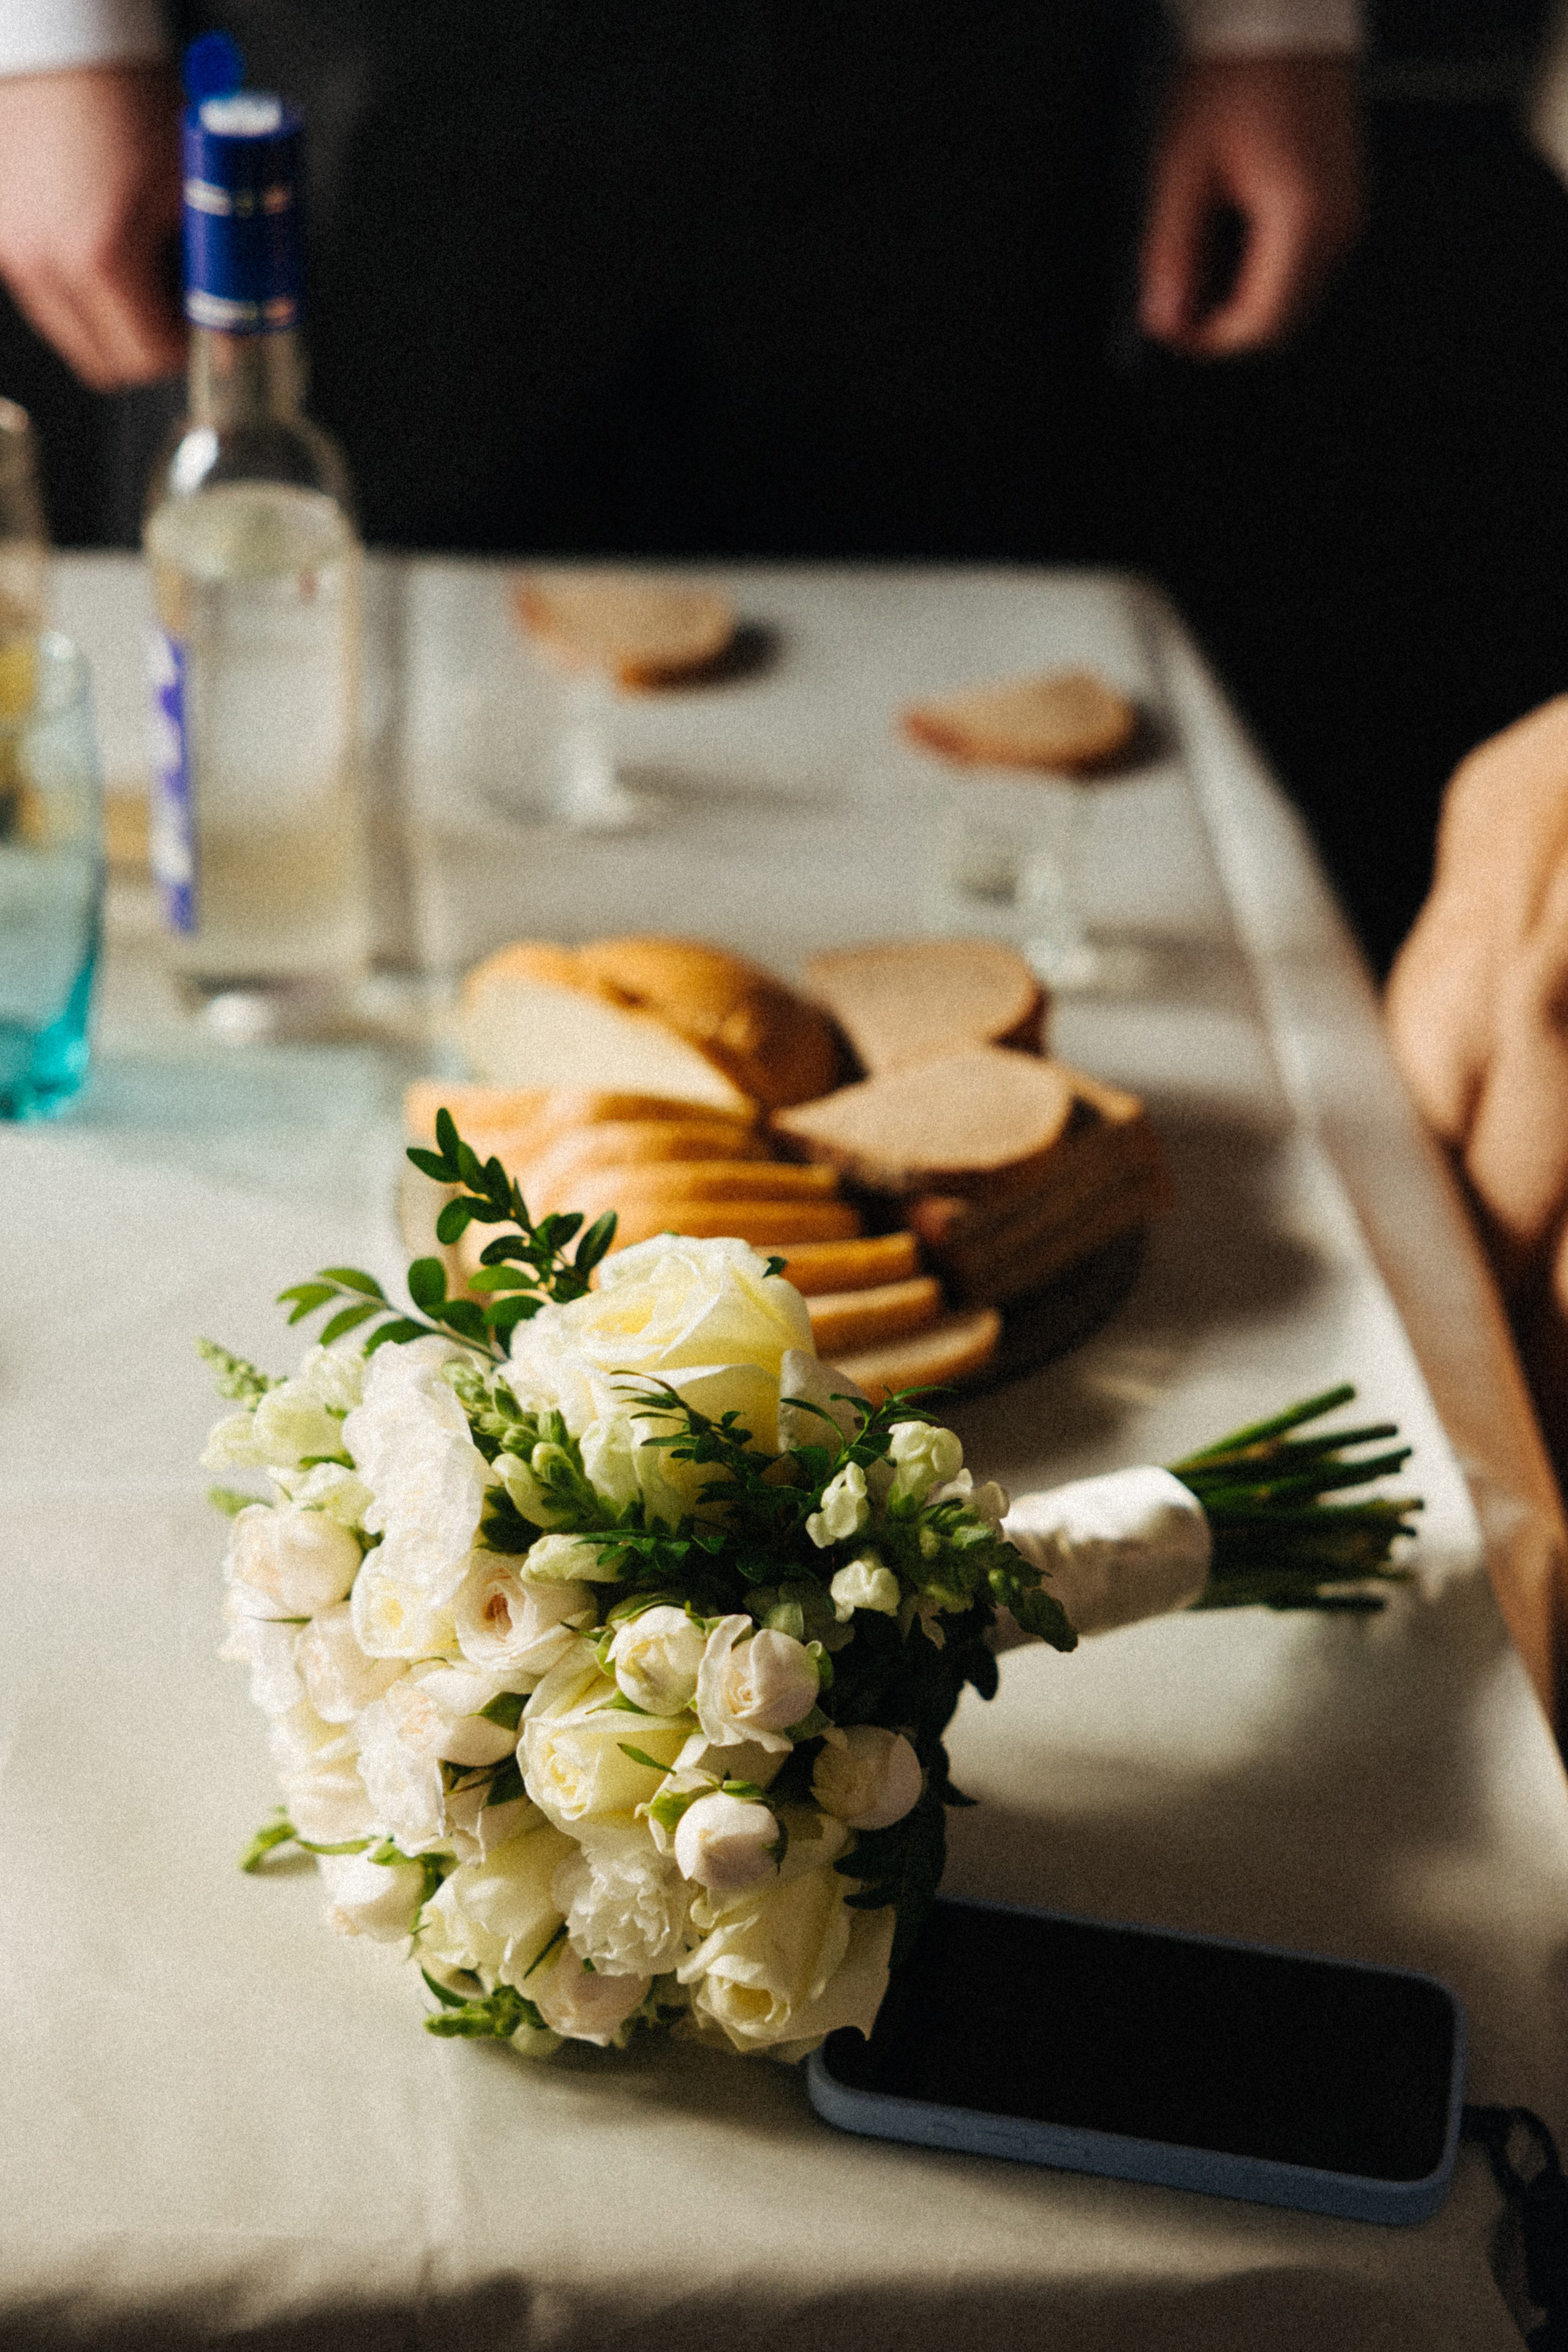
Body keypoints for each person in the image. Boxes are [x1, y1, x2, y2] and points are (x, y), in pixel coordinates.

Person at [0, 1, 1363, 555]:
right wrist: (54, 31)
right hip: (401, 57)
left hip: (956, 64)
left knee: (966, 747)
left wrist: (1270, 17)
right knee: (317, 700)